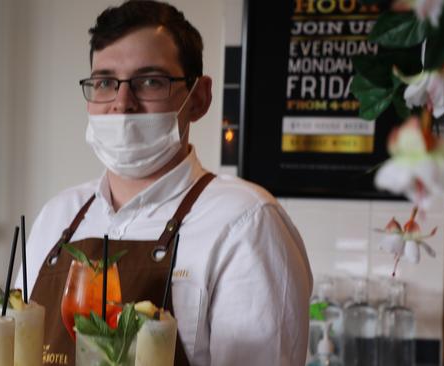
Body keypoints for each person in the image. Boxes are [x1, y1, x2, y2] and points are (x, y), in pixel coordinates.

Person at [18, 1, 313, 365]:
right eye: (105, 82)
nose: (122, 104)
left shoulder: (246, 222)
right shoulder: (58, 215)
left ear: (199, 98)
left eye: (150, 81)